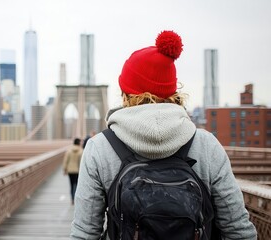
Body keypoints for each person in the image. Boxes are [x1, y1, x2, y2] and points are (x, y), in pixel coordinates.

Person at [70, 30, 257, 239]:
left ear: (126, 93)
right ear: (173, 91)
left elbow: (85, 233)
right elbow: (238, 230)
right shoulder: (206, 145)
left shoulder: (100, 148)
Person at [63, 138, 83, 205]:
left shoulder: (69, 151)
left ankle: (72, 199)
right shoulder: (81, 151)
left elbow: (66, 161)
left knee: (71, 185)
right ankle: (76, 198)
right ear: (78, 143)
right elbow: (82, 162)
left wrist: (65, 169)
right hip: (78, 171)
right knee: (77, 185)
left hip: (70, 171)